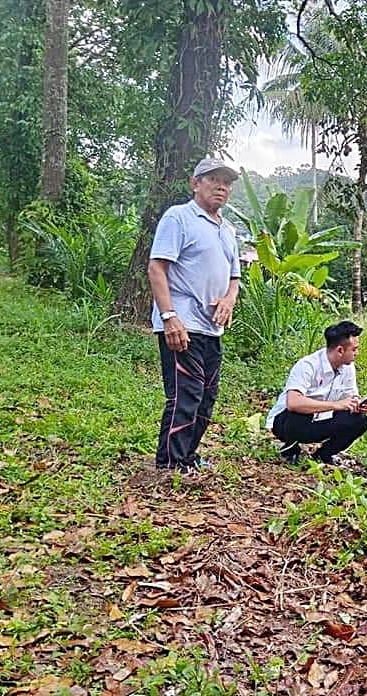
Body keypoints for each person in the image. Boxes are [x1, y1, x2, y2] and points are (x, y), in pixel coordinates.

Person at [147, 158, 241, 473]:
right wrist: (169, 315)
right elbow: (157, 268)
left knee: (206, 398)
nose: (221, 186)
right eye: (213, 179)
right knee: (186, 393)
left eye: (226, 182)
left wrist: (229, 299)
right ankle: (170, 464)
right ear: (195, 183)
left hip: (212, 328)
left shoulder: (228, 230)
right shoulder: (179, 218)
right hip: (182, 323)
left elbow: (234, 277)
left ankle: (187, 455)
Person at [266, 321, 367, 464]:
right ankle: (290, 449)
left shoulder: (348, 368)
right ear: (340, 350)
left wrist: (358, 405)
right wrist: (336, 405)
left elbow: (351, 395)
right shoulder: (308, 365)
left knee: (360, 421)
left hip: (321, 421)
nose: (357, 353)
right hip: (289, 422)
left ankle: (323, 455)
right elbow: (293, 403)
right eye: (354, 349)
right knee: (299, 413)